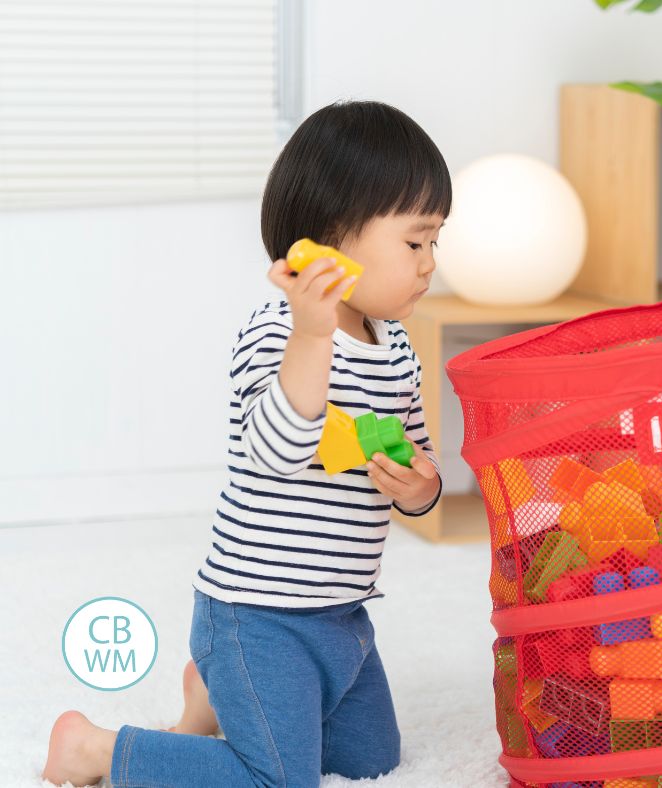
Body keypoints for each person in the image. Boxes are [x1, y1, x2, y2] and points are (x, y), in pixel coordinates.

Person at [42, 98, 450, 787]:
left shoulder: (398, 346)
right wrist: (312, 333)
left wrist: (424, 484)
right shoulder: (279, 332)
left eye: (437, 242)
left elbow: (415, 450)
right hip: (258, 615)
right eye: (415, 243)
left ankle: (210, 695)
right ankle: (94, 750)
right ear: (330, 239)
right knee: (278, 780)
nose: (430, 263)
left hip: (342, 617)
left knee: (372, 761)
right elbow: (278, 447)